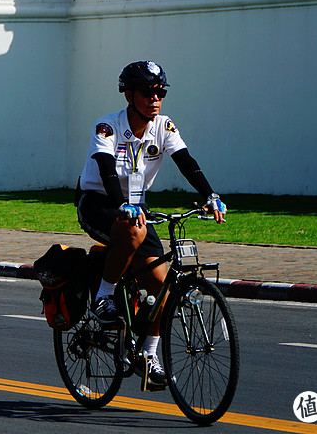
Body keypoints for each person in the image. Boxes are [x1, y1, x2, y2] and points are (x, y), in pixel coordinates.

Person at [76, 60, 226, 389]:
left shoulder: (164, 127)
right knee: (132, 231)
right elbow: (103, 166)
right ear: (129, 95)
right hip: (99, 202)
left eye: (161, 92)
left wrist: (210, 194)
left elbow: (186, 161)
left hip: (137, 207)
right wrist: (121, 205)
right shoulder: (108, 126)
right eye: (148, 92)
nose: (155, 98)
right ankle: (104, 295)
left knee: (163, 288)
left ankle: (148, 355)